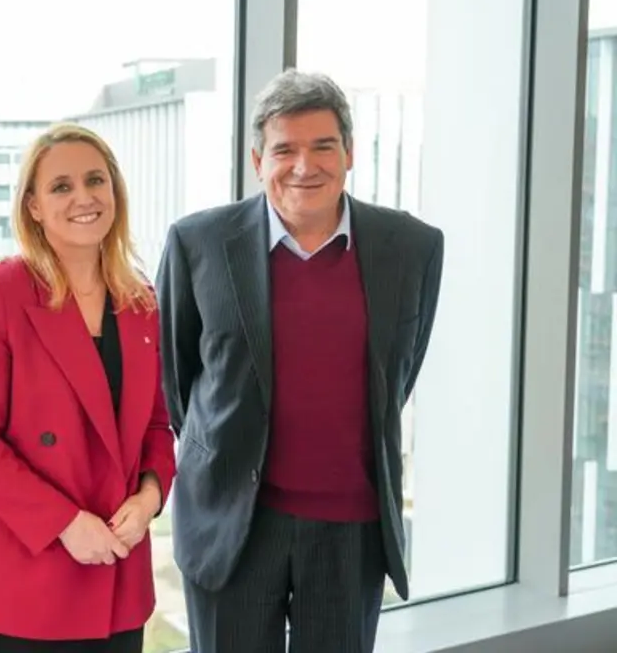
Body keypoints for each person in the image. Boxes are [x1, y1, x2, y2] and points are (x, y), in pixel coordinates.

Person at [156, 69, 444, 652]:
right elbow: (178, 381)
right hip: (232, 524)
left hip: (352, 531)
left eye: (323, 146)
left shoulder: (413, 247)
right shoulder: (197, 244)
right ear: (257, 160)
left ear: (350, 153)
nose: (304, 166)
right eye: (284, 149)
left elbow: (398, 374)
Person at [0, 122, 177, 652]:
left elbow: (157, 425)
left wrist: (149, 497)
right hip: (25, 576)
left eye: (96, 180)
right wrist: (65, 523)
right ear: (33, 206)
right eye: (61, 186)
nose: (83, 198)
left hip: (117, 570)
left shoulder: (140, 300)